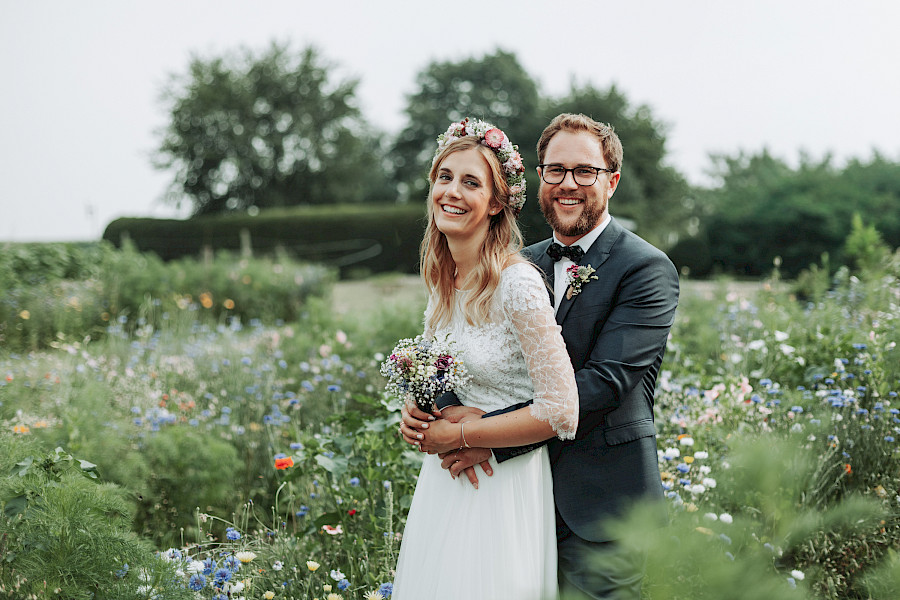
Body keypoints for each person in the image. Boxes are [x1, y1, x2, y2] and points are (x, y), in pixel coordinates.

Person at [403, 113, 680, 599]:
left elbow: (604, 383)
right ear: (539, 177)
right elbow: (470, 356)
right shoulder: (512, 264)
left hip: (600, 507)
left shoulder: (646, 269)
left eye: (585, 171)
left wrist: (481, 433)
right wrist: (431, 406)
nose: (568, 183)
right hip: (508, 497)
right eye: (556, 170)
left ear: (612, 181)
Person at [390, 118, 580, 600]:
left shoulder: (517, 284)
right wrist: (417, 411)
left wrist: (463, 434)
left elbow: (562, 409)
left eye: (471, 182)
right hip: (445, 483)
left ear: (496, 203)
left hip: (502, 487)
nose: (452, 191)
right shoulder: (444, 281)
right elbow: (444, 377)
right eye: (445, 177)